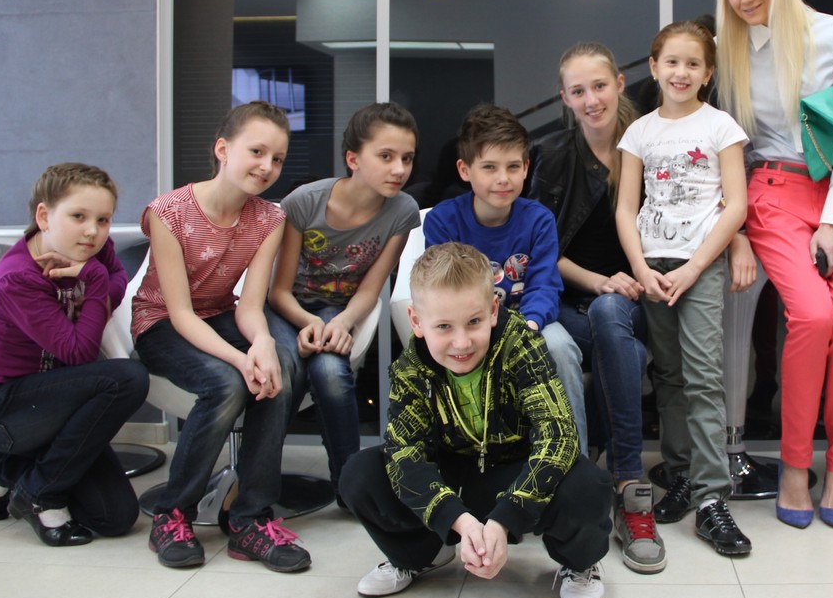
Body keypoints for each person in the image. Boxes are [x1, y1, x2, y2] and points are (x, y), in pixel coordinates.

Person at [714, 0, 833, 529]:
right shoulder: (728, 48)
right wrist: (735, 228)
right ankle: (794, 466)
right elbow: (728, 148)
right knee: (812, 316)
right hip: (774, 191)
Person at [339, 242, 611, 598]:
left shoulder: (521, 344)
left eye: (474, 322)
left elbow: (558, 435)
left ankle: (578, 564)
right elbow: (405, 453)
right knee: (360, 474)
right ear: (416, 321)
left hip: (514, 471)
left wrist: (505, 519)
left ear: (493, 310)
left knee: (588, 485)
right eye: (443, 327)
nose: (461, 342)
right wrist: (459, 521)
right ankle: (420, 554)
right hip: (451, 476)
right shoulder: (410, 368)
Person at [132, 101, 311, 573]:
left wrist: (264, 345)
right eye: (257, 151)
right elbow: (180, 313)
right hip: (162, 323)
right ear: (222, 149)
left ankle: (250, 518)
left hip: (220, 315)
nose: (267, 166)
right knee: (227, 383)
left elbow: (249, 307)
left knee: (281, 363)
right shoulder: (168, 212)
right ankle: (173, 514)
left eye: (277, 158)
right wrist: (240, 358)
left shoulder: (270, 219)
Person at [616, 20, 753, 557]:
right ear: (654, 68)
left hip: (700, 266)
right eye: (671, 62)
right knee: (668, 375)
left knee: (702, 376)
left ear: (708, 73)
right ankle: (682, 477)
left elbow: (736, 205)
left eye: (693, 63)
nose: (681, 72)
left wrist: (696, 268)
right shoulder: (639, 132)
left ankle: (712, 498)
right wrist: (640, 268)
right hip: (653, 266)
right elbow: (626, 208)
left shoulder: (721, 127)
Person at [529, 41, 664, 574]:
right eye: (578, 91)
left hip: (632, 302)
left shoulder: (651, 144)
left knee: (611, 318)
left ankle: (621, 480)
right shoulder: (552, 155)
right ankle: (606, 482)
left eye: (600, 86)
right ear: (564, 97)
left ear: (620, 84)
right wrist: (599, 281)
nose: (591, 100)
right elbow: (540, 249)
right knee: (600, 333)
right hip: (568, 301)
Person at [0, 163, 148, 546]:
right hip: (2, 406)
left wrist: (95, 278)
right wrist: (94, 279)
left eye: (103, 219)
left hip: (57, 400)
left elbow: (117, 278)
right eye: (78, 216)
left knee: (115, 518)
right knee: (126, 379)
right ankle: (37, 493)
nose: (93, 231)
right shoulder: (18, 278)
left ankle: (7, 467)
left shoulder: (94, 248)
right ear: (44, 216)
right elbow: (78, 352)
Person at [267, 103, 421, 500]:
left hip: (338, 309)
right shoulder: (304, 203)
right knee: (285, 372)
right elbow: (277, 291)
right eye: (385, 156)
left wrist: (341, 322)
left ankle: (351, 490)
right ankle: (256, 485)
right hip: (287, 308)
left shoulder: (402, 211)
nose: (399, 169)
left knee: (332, 375)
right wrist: (309, 323)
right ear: (353, 159)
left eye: (406, 158)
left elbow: (371, 289)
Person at [423, 103, 587, 446]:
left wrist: (528, 326)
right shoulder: (443, 221)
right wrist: (483, 330)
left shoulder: (538, 219)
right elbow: (445, 292)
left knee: (561, 348)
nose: (503, 178)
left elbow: (544, 285)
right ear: (465, 170)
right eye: (489, 167)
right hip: (469, 327)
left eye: (513, 166)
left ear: (526, 168)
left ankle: (573, 458)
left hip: (528, 321)